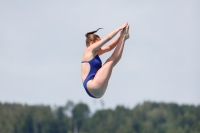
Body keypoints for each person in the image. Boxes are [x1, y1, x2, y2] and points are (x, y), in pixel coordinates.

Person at [81, 22, 130, 98]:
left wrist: (120, 36)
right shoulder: (88, 51)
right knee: (111, 60)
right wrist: (119, 28)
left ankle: (124, 37)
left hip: (93, 90)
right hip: (93, 85)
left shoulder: (94, 53)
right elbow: (107, 38)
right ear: (92, 43)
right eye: (99, 42)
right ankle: (124, 37)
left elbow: (109, 47)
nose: (101, 45)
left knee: (110, 61)